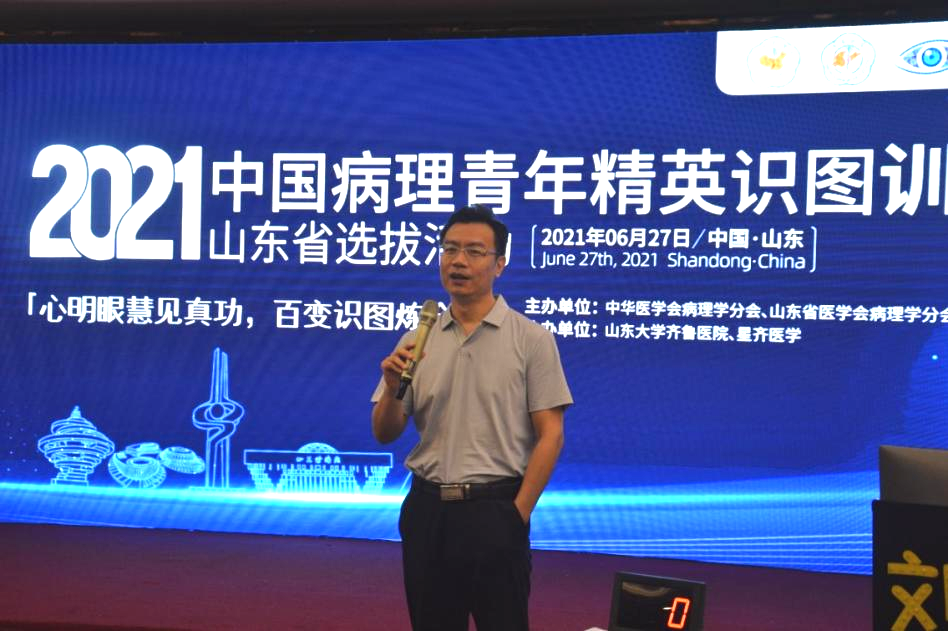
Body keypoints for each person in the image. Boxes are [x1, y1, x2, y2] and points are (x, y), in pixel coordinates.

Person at [371, 204, 573, 631]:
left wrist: (517, 514)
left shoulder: (532, 339)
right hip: (427, 511)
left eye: (474, 252)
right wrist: (390, 387)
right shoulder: (417, 339)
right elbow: (385, 432)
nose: (458, 261)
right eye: (449, 249)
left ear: (499, 264)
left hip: (494, 509)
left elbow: (551, 435)